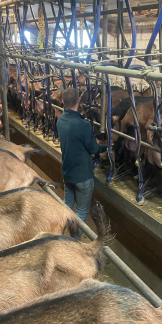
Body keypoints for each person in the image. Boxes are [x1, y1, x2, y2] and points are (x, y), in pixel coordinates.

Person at [56, 88, 108, 240]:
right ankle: (74, 242)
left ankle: (60, 235)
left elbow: (74, 137)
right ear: (79, 101)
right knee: (81, 212)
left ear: (62, 102)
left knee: (66, 207)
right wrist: (107, 146)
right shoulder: (83, 125)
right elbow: (93, 148)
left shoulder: (61, 120)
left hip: (67, 172)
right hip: (83, 176)